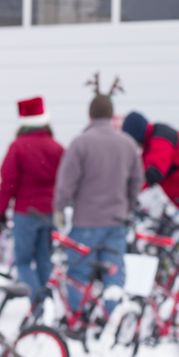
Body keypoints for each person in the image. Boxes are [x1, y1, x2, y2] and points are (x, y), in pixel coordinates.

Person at [53, 93, 143, 310]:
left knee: (78, 273)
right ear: (112, 116)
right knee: (113, 273)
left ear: (90, 115)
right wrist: (129, 206)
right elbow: (136, 181)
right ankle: (112, 322)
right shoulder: (128, 144)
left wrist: (59, 208)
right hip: (116, 221)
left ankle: (78, 319)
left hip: (86, 221)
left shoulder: (81, 142)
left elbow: (67, 181)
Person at [0, 97, 64, 300]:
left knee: (23, 262)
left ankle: (38, 304)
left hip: (25, 213)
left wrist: (1, 211)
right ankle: (45, 305)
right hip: (49, 213)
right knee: (44, 260)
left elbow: (7, 183)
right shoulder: (57, 148)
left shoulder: (18, 147)